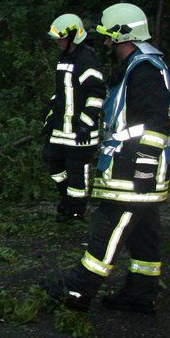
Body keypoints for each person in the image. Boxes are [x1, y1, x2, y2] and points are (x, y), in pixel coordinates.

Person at [43, 3, 170, 314]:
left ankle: (77, 289)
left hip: (133, 171)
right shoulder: (140, 66)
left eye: (109, 37)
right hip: (134, 168)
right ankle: (140, 292)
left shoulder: (144, 70)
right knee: (143, 236)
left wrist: (144, 167)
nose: (106, 43)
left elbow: (156, 123)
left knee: (107, 228)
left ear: (123, 35)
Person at [41, 13, 106, 221]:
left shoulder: (86, 58)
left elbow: (96, 93)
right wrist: (50, 117)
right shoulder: (64, 57)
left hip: (80, 131)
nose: (57, 42)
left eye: (60, 38)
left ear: (72, 36)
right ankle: (66, 199)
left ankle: (76, 209)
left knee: (77, 171)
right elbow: (61, 92)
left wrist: (86, 124)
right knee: (52, 160)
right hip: (61, 128)